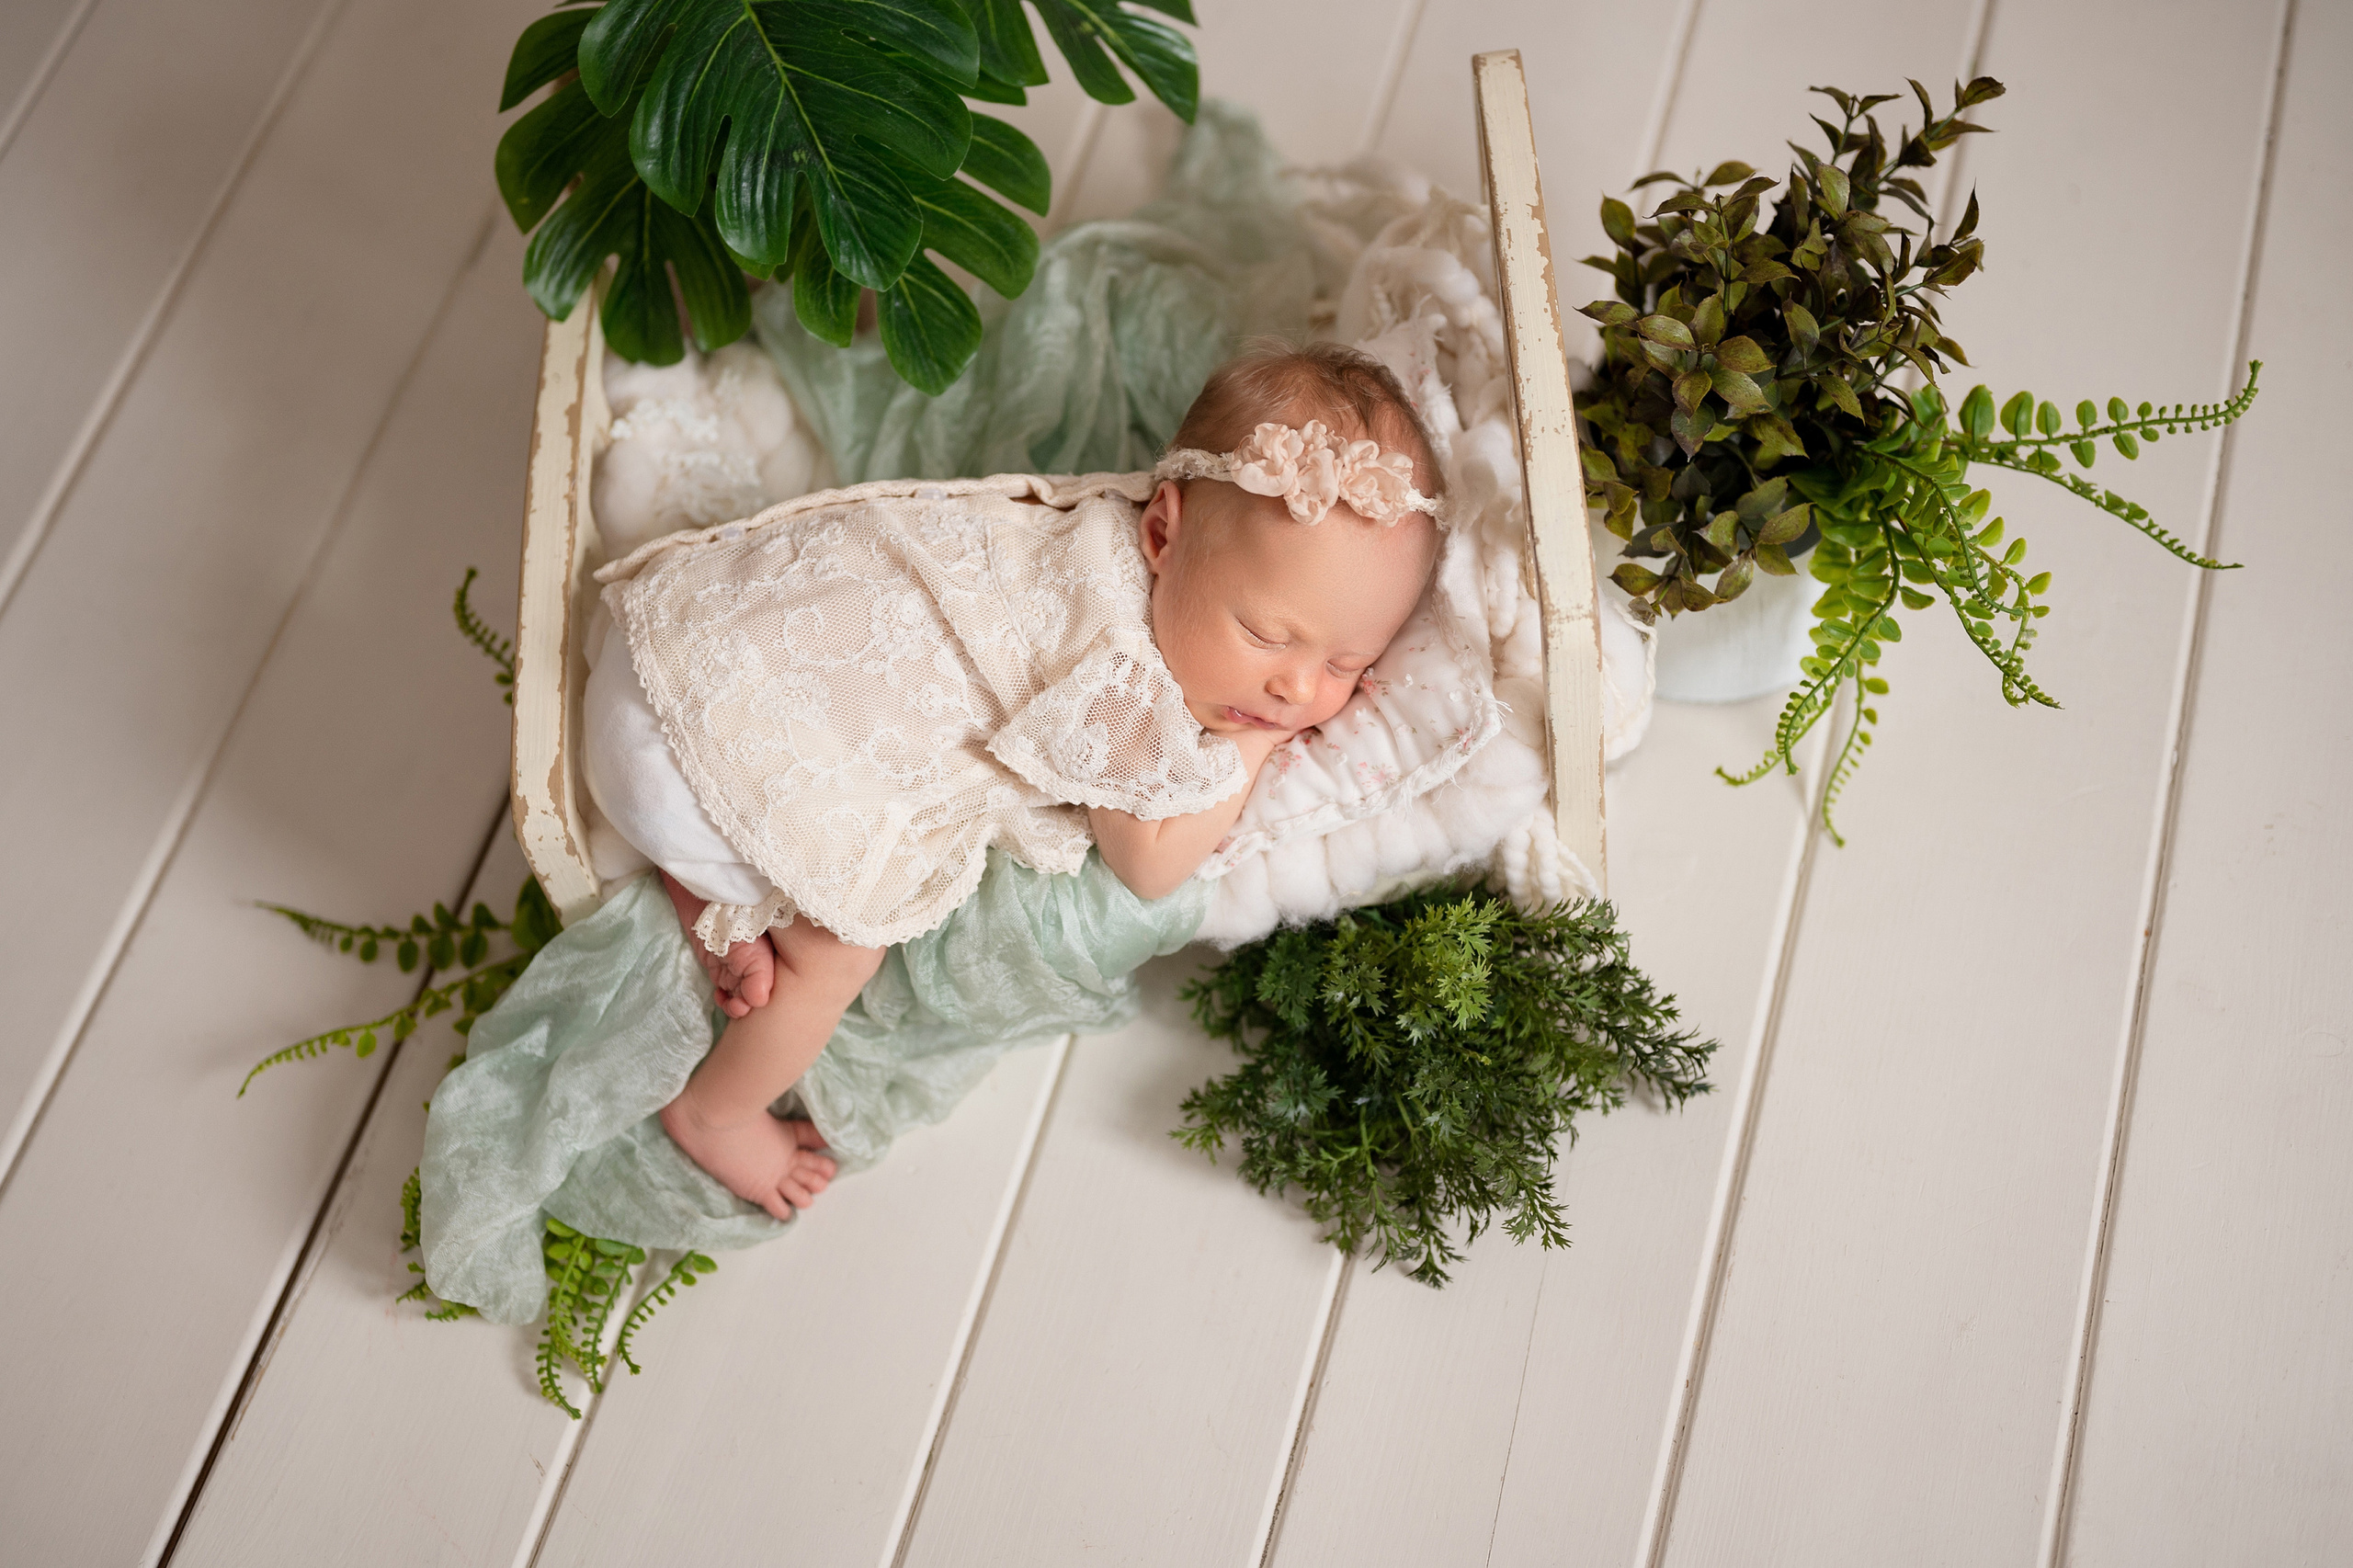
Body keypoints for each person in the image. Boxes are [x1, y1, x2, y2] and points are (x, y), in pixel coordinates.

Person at [580, 342, 1447, 1221]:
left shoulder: (1105, 526)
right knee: (840, 950)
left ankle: (709, 884)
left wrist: (1272, 665)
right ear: (1163, 534)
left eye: (1346, 663)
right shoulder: (1121, 672)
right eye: (1265, 636)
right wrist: (1256, 746)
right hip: (676, 752)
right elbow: (1149, 864)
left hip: (667, 643)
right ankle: (714, 1114)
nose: (1296, 688)